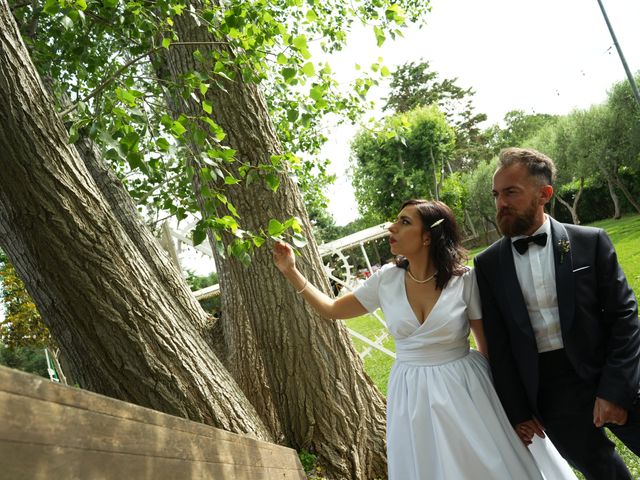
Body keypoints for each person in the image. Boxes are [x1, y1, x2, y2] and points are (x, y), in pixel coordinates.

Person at [273, 199, 576, 479]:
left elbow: (487, 347)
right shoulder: (385, 280)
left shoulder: (464, 280)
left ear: (428, 236)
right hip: (411, 391)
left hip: (466, 386)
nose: (392, 228)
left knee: (487, 461)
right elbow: (332, 309)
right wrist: (291, 271)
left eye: (404, 222)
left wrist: (512, 406)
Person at [474, 147, 640, 479]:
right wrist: (518, 410)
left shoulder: (590, 242)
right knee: (602, 472)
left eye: (511, 192)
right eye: (496, 195)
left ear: (544, 194)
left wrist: (614, 389)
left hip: (609, 368)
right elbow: (499, 345)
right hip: (549, 392)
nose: (500, 204)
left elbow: (624, 318)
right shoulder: (487, 264)